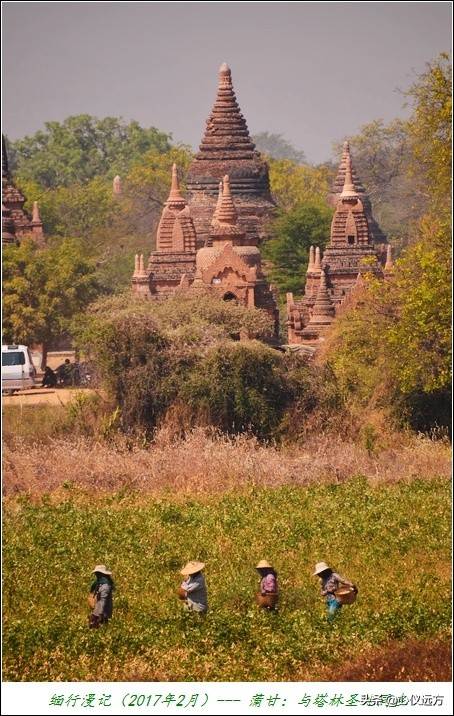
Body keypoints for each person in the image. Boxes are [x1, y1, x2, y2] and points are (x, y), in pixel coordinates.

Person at [89, 564, 114, 628]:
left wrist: (97, 615)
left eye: (97, 573)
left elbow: (102, 601)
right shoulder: (101, 583)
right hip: (103, 613)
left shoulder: (105, 586)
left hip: (102, 614)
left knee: (97, 628)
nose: (96, 575)